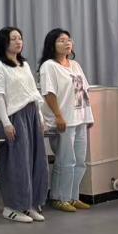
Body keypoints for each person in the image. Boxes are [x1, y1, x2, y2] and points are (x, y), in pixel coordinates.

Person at [0, 26, 49, 224]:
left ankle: (30, 204)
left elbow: (33, 92)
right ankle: (12, 207)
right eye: (13, 38)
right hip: (13, 117)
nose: (18, 41)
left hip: (31, 115)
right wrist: (6, 123)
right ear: (4, 42)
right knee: (17, 163)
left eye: (20, 38)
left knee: (35, 161)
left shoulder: (24, 64)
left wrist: (40, 117)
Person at [38, 29, 93, 213]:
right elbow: (49, 93)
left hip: (80, 119)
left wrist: (88, 116)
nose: (67, 43)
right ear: (52, 44)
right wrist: (58, 116)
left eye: (69, 40)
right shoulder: (49, 66)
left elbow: (84, 92)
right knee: (66, 160)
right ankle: (59, 197)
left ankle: (72, 196)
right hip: (63, 120)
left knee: (80, 161)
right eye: (62, 40)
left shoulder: (75, 65)